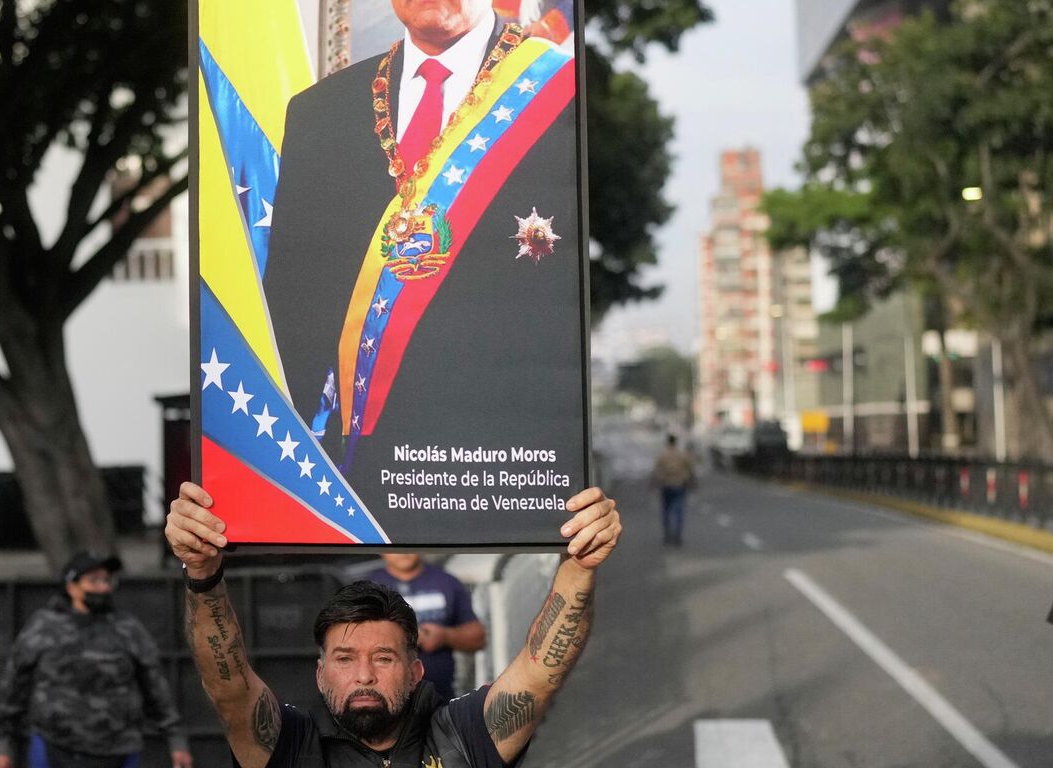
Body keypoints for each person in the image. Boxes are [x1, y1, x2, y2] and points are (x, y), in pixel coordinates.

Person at [262, 0, 584, 481]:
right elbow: (291, 306)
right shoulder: (318, 113)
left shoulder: (562, 94)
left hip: (508, 465)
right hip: (355, 468)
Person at [165, 482, 621, 766]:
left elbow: (542, 672)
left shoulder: (463, 737)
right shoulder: (289, 747)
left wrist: (580, 565)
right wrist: (203, 573)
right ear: (320, 674)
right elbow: (228, 687)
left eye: (383, 657)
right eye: (345, 659)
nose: (364, 675)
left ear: (416, 670)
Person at [0, 553, 192, 768]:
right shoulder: (43, 626)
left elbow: (155, 687)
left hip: (119, 749)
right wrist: (2, 746)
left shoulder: (127, 628)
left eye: (106, 580)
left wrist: (176, 739)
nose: (103, 587)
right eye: (94, 580)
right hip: (54, 746)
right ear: (71, 586)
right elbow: (14, 687)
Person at [363, 553, 486, 700]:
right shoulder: (367, 588)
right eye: (396, 545)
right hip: (383, 698)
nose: (403, 551)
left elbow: (478, 638)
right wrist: (402, 638)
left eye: (409, 543)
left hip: (439, 697)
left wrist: (445, 636)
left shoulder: (446, 582)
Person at [653, 434, 696, 546]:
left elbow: (656, 470)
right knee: (679, 511)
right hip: (679, 485)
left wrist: (653, 484)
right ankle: (677, 535)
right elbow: (690, 468)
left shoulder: (662, 455)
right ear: (676, 442)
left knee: (666, 511)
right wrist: (692, 483)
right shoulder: (682, 454)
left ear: (667, 442)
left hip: (666, 485)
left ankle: (667, 535)